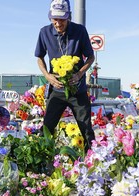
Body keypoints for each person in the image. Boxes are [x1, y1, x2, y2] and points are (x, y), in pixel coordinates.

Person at [35, 0, 95, 152]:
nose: (58, 23)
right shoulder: (44, 32)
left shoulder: (80, 31)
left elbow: (90, 57)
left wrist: (80, 73)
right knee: (46, 129)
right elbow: (39, 58)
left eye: (62, 19)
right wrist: (48, 76)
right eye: (54, 19)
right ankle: (44, 161)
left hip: (78, 91)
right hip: (56, 90)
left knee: (87, 130)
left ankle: (92, 161)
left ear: (69, 17)